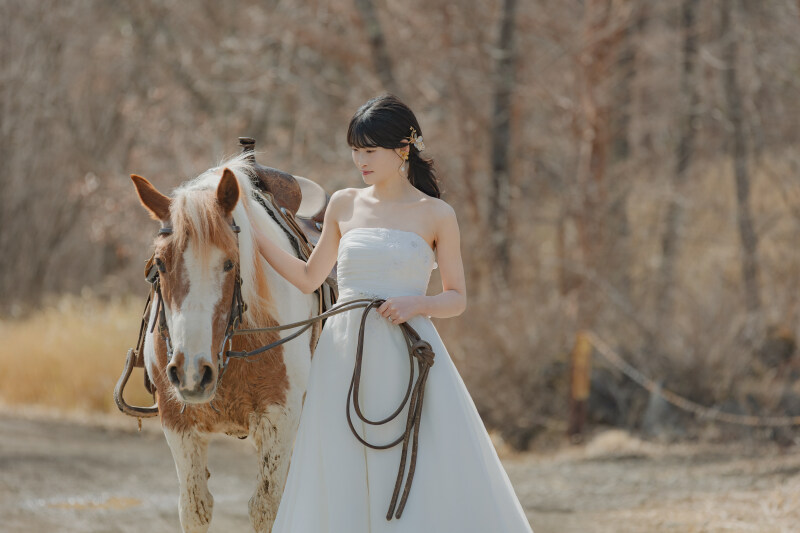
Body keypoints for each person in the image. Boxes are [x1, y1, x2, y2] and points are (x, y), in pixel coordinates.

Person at [252, 93, 534, 532]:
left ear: (402, 149)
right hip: (344, 355)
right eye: (355, 149)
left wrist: (417, 303)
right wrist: (255, 235)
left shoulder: (436, 214)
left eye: (369, 150)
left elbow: (456, 297)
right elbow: (309, 279)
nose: (358, 159)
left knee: (413, 461)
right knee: (343, 459)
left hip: (407, 352)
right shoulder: (344, 203)